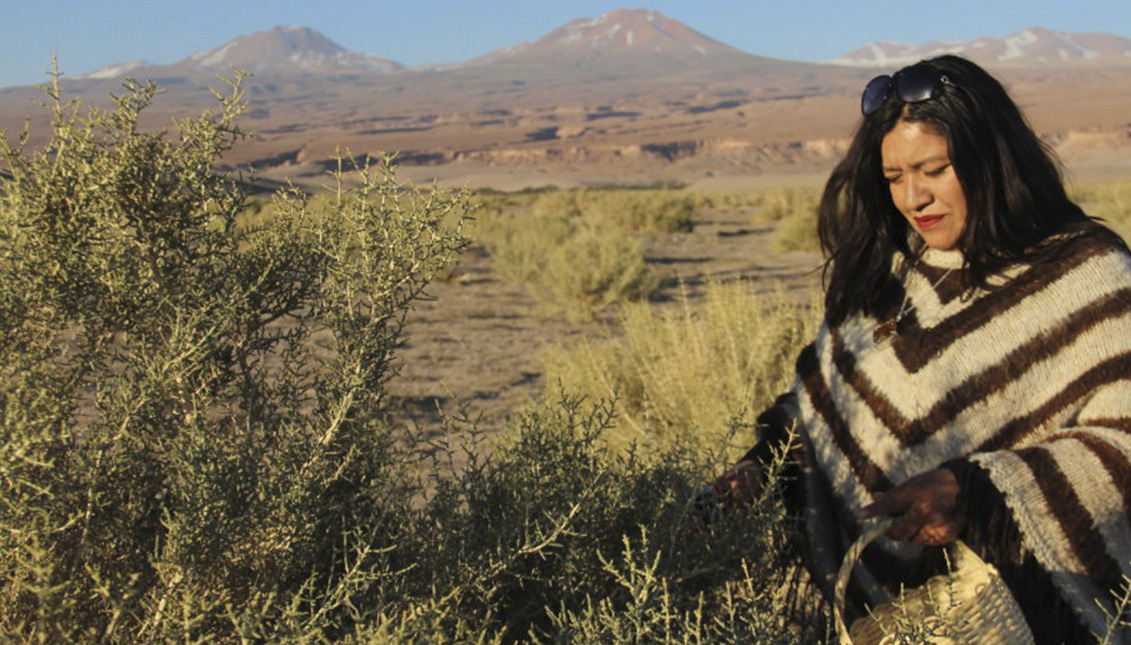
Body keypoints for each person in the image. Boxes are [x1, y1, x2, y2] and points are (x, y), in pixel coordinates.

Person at [717, 54, 1131, 643]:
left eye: (933, 169)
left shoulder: (1086, 274)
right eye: (893, 178)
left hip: (1018, 615)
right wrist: (763, 467)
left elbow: (1124, 441)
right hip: (864, 620)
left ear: (989, 158)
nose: (913, 198)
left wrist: (978, 490)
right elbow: (823, 404)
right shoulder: (888, 272)